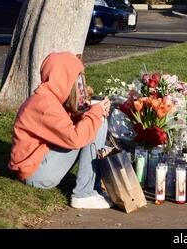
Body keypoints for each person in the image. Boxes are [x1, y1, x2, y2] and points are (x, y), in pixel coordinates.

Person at [9, 52, 113, 209]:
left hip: (37, 165)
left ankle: (92, 189)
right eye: (76, 78)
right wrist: (95, 113)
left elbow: (64, 128)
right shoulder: (44, 103)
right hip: (36, 174)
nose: (79, 83)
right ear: (64, 77)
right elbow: (74, 138)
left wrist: (89, 111)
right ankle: (83, 194)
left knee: (95, 121)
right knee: (96, 122)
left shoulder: (48, 97)